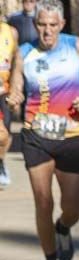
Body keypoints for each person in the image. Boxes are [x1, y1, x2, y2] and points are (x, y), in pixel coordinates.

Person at [15, 0, 79, 260]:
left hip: (70, 136)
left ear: (62, 24)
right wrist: (14, 95)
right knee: (43, 201)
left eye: (53, 25)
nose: (47, 31)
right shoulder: (24, 52)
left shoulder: (76, 46)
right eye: (41, 25)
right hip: (35, 135)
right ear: (35, 24)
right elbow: (17, 85)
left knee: (73, 207)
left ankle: (63, 227)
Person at [0, 19, 23, 187]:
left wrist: (16, 86)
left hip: (4, 91)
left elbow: (16, 61)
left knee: (6, 135)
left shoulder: (11, 32)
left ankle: (1, 162)